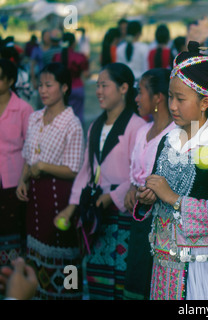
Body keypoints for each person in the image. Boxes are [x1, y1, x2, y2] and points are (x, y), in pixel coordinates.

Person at [133, 41, 208, 300]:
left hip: (203, 265)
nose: (172, 105)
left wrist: (171, 197)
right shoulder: (168, 140)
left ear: (205, 102)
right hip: (165, 258)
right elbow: (158, 185)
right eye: (171, 96)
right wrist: (149, 196)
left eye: (180, 99)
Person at [54, 63, 145, 300]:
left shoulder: (138, 127)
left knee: (122, 281)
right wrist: (72, 205)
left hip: (124, 215)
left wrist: (111, 197)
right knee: (97, 279)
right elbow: (86, 170)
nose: (99, 92)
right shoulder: (95, 126)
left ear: (124, 88)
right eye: (97, 86)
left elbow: (140, 173)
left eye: (105, 86)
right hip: (97, 214)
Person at [16, 62, 84, 300]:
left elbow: (74, 170)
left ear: (64, 87)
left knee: (67, 254)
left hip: (60, 198)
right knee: (35, 252)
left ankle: (72, 294)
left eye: (49, 85)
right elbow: (28, 156)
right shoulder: (35, 118)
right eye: (40, 85)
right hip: (35, 198)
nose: (42, 90)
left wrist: (43, 166)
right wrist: (22, 181)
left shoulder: (72, 124)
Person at [123, 68, 176, 300]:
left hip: (162, 224)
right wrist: (132, 189)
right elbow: (135, 173)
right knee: (136, 275)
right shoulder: (143, 130)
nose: (136, 98)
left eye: (140, 92)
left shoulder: (175, 134)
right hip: (139, 220)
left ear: (158, 98)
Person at [0, 59, 34, 267]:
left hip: (13, 180)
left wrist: (26, 178)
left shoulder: (23, 109)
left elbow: (30, 148)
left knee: (11, 229)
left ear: (10, 80)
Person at [53, 32, 89, 125]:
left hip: (61, 90)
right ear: (74, 43)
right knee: (78, 117)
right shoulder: (80, 56)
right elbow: (86, 74)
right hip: (77, 88)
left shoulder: (56, 56)